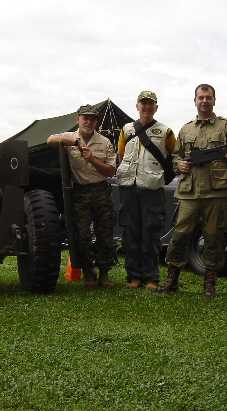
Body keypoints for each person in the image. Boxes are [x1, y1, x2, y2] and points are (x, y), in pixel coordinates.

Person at [158, 84, 227, 296]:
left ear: (214, 100)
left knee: (213, 237)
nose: (204, 101)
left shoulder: (226, 126)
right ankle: (172, 279)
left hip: (217, 190)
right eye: (201, 97)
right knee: (179, 235)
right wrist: (180, 165)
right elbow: (176, 156)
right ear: (195, 100)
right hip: (190, 190)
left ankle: (210, 282)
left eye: (208, 97)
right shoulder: (186, 129)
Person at [47, 105, 118, 288]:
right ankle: (88, 273)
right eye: (85, 118)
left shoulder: (105, 142)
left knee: (105, 234)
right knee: (82, 235)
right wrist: (76, 143)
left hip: (101, 191)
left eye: (92, 119)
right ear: (78, 120)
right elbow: (51, 140)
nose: (89, 122)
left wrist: (92, 159)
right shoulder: (69, 137)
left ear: (96, 122)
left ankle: (104, 274)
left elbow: (111, 171)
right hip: (80, 192)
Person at [116, 90, 176, 289]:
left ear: (156, 107)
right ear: (137, 106)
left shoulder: (166, 131)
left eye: (151, 104)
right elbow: (121, 155)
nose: (147, 107)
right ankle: (134, 277)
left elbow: (174, 156)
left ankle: (151, 278)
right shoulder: (126, 130)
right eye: (143, 103)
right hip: (128, 186)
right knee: (130, 232)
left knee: (151, 232)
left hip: (152, 187)